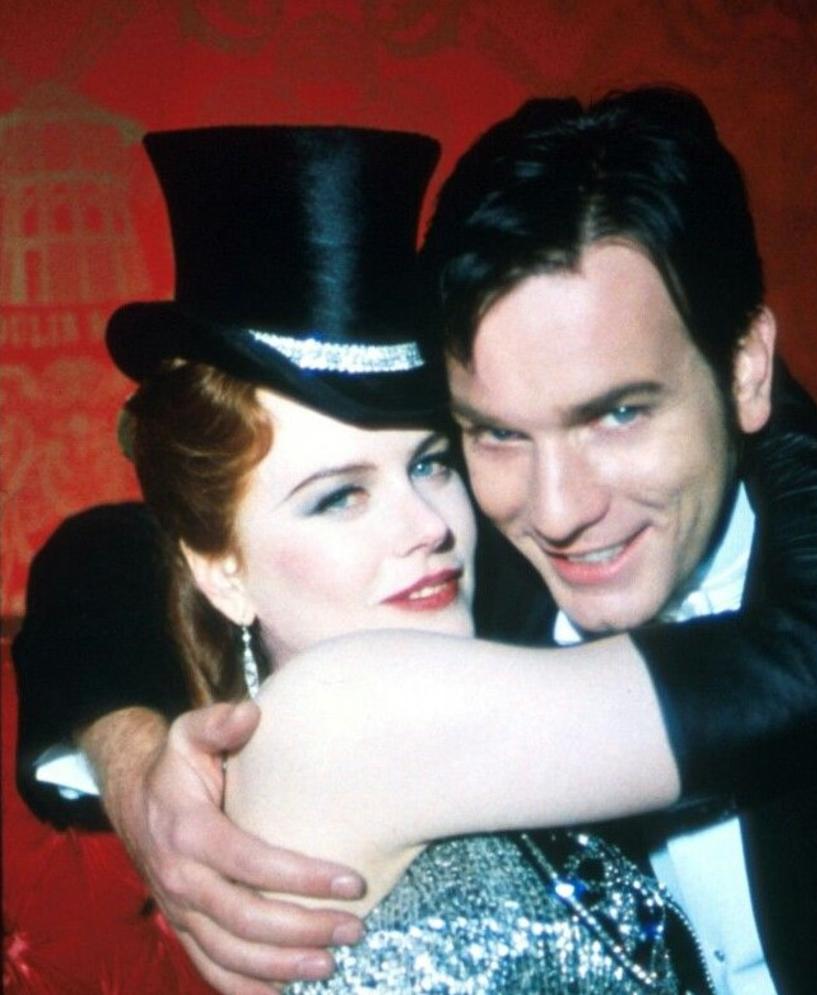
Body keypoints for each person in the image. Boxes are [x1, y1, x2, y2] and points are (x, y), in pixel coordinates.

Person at [14, 88, 817, 995]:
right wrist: (137, 769)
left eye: (618, 412)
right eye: (493, 433)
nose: (558, 509)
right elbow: (106, 557)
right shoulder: (433, 616)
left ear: (747, 367)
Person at [35, 121, 708, 993]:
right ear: (219, 569)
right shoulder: (333, 718)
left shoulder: (474, 665)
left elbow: (98, 552)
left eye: (430, 463)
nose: (428, 525)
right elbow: (788, 671)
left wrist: (126, 760)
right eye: (339, 496)